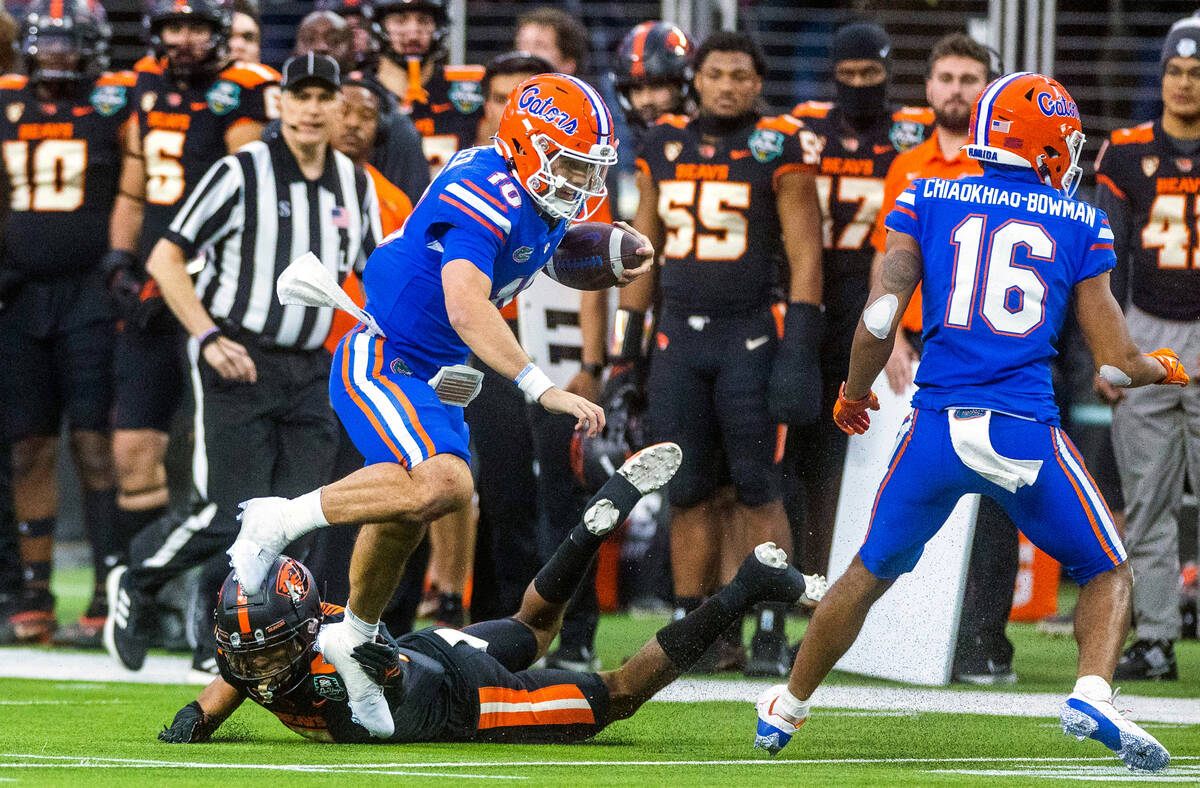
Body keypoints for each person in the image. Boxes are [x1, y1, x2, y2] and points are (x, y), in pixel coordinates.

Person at [754, 72, 1182, 774]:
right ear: (1045, 142)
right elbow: (1114, 358)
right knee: (1108, 570)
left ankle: (788, 704)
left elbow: (880, 316)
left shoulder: (927, 192)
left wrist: (854, 394)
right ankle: (1093, 692)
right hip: (1021, 429)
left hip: (934, 427)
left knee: (866, 570)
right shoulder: (1079, 219)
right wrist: (1160, 367)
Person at [225, 72, 654, 739]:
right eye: (568, 161)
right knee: (445, 483)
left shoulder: (532, 186)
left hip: (432, 369)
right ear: (526, 142)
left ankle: (354, 640)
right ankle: (276, 521)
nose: (576, 179)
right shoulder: (483, 185)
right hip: (386, 353)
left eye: (586, 168)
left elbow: (537, 246)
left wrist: (605, 254)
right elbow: (465, 301)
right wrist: (541, 385)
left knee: (413, 509)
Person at [159, 444, 822, 745]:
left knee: (617, 694)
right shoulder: (268, 644)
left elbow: (377, 673)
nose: (258, 668)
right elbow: (239, 671)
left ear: (307, 635)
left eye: (269, 653)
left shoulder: (335, 656)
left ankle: (747, 585)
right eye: (250, 653)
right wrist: (201, 716)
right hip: (433, 647)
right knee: (534, 629)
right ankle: (599, 515)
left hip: (461, 697)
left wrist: (382, 670)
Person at [105, 54, 381, 676]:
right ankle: (138, 577)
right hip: (239, 357)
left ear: (341, 107)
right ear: (278, 105)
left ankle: (222, 638)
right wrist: (205, 336)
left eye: (323, 97)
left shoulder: (354, 182)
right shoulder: (241, 171)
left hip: (314, 366)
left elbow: (375, 271)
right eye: (299, 95)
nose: (311, 109)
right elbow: (166, 259)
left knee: (298, 516)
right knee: (228, 508)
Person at [621, 31, 823, 678]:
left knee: (756, 487)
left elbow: (805, 255)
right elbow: (641, 251)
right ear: (696, 79)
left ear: (758, 83)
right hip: (678, 335)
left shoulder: (778, 145)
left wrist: (799, 348)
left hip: (749, 335)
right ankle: (697, 626)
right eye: (716, 73)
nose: (728, 85)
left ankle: (767, 626)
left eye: (741, 74)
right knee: (687, 490)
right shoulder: (662, 144)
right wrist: (627, 354)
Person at [102, 0, 280, 615]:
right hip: (153, 289)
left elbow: (247, 192)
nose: (185, 40)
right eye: (174, 28)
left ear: (218, 34)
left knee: (218, 469)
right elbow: (132, 181)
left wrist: (180, 276)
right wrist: (122, 259)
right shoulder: (142, 85)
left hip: (213, 293)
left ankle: (210, 604)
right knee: (133, 451)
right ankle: (147, 601)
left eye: (197, 28)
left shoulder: (245, 89)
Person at [866, 32, 1019, 685]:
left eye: (969, 78)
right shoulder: (910, 166)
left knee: (999, 492)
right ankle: (911, 635)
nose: (956, 89)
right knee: (922, 491)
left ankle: (985, 638)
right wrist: (892, 337)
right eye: (946, 77)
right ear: (927, 88)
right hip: (925, 341)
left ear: (986, 89)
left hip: (994, 345)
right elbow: (889, 258)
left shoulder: (1011, 162)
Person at [0, 0, 130, 647]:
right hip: (20, 297)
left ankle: (109, 586)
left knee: (94, 444)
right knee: (28, 446)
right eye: (45, 43)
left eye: (67, 43)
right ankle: (33, 588)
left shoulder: (114, 107)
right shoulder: (7, 102)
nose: (55, 55)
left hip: (89, 296)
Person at [784, 22, 932, 577]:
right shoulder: (804, 126)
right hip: (814, 292)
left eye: (870, 74)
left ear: (889, 73)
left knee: (864, 443)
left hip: (877, 293)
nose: (858, 84)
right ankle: (806, 567)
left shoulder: (913, 132)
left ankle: (852, 567)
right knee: (808, 440)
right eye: (847, 75)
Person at [1094, 16, 1200, 682]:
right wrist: (1113, 348)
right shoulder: (1126, 152)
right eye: (1175, 71)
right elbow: (1105, 259)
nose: (1185, 83)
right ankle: (1157, 637)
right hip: (1147, 331)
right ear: (1160, 75)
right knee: (1148, 500)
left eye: (1196, 73)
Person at [282, 9, 429, 204]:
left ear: (354, 49)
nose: (321, 47)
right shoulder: (279, 119)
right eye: (310, 39)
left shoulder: (393, 121)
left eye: (334, 41)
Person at [370, 0, 483, 176]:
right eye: (400, 21)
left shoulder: (469, 90)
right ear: (380, 27)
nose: (413, 34)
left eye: (423, 21)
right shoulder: (361, 92)